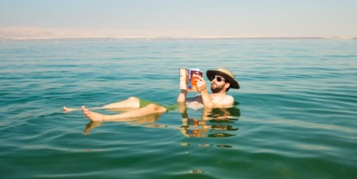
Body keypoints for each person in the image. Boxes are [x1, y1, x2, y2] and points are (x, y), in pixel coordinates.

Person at [66, 68, 240, 122]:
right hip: (177, 109)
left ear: (227, 84)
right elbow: (181, 103)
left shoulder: (227, 99)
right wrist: (183, 90)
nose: (214, 81)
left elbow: (209, 109)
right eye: (213, 78)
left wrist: (202, 92)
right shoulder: (204, 93)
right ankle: (80, 109)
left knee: (151, 107)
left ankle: (103, 118)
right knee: (133, 99)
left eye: (219, 78)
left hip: (179, 114)